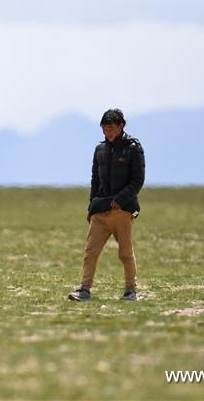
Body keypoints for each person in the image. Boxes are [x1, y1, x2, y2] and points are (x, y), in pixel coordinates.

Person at [68, 108, 145, 302]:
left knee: (125, 253)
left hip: (122, 211)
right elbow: (95, 180)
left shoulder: (133, 148)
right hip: (100, 212)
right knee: (90, 252)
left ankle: (130, 290)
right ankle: (84, 290)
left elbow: (137, 181)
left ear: (121, 126)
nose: (108, 133)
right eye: (104, 129)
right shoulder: (100, 149)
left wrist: (118, 201)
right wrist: (91, 207)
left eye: (111, 129)